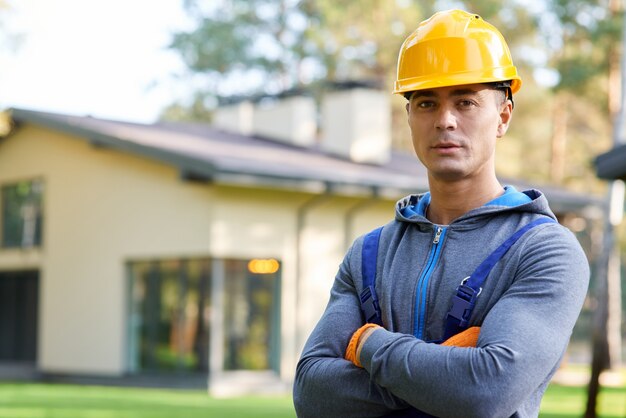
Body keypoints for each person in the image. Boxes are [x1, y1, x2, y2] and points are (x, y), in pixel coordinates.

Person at [293, 9, 589, 418]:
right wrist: (444, 374)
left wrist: (367, 345)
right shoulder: (368, 255)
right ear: (410, 116)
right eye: (427, 102)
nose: (445, 121)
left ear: (503, 116)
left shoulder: (544, 250)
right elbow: (312, 392)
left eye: (466, 101)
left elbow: (486, 390)